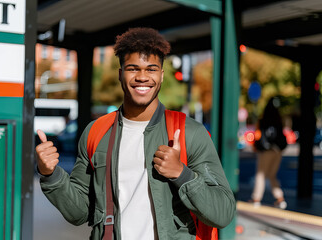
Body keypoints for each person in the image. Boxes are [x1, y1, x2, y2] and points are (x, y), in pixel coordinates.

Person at [36, 27, 235, 239]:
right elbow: (78, 213)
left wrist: (181, 173)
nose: (142, 77)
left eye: (151, 69)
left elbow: (222, 213)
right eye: (133, 68)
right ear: (121, 74)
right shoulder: (96, 132)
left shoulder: (189, 132)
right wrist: (51, 175)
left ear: (161, 75)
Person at [251, 97, 287, 209]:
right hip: (277, 151)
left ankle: (256, 199)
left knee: (260, 175)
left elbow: (259, 136)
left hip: (266, 151)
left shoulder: (263, 120)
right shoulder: (279, 120)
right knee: (272, 175)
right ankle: (280, 199)